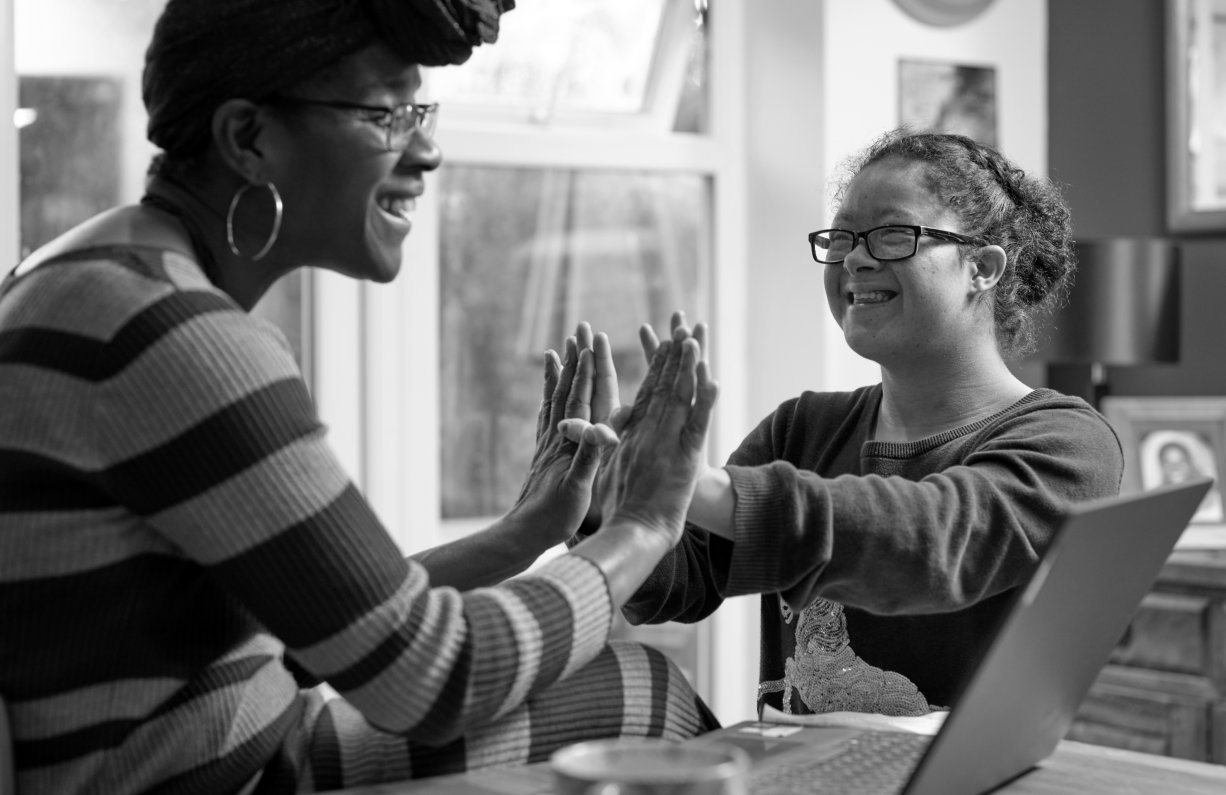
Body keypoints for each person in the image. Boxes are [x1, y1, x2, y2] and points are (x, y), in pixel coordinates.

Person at [0, 1, 721, 793]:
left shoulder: (95, 281)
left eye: (421, 110)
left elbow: (320, 628)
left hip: (259, 743)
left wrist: (526, 532)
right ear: (247, 138)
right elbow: (441, 675)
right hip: (246, 774)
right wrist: (642, 528)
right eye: (385, 112)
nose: (429, 150)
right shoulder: (169, 336)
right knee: (652, 697)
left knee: (641, 686)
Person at [601, 130, 1125, 721]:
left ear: (981, 266)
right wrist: (606, 492)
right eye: (844, 236)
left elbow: (932, 545)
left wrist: (697, 487)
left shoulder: (1068, 446)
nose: (855, 256)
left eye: (892, 234)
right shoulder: (803, 428)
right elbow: (676, 583)